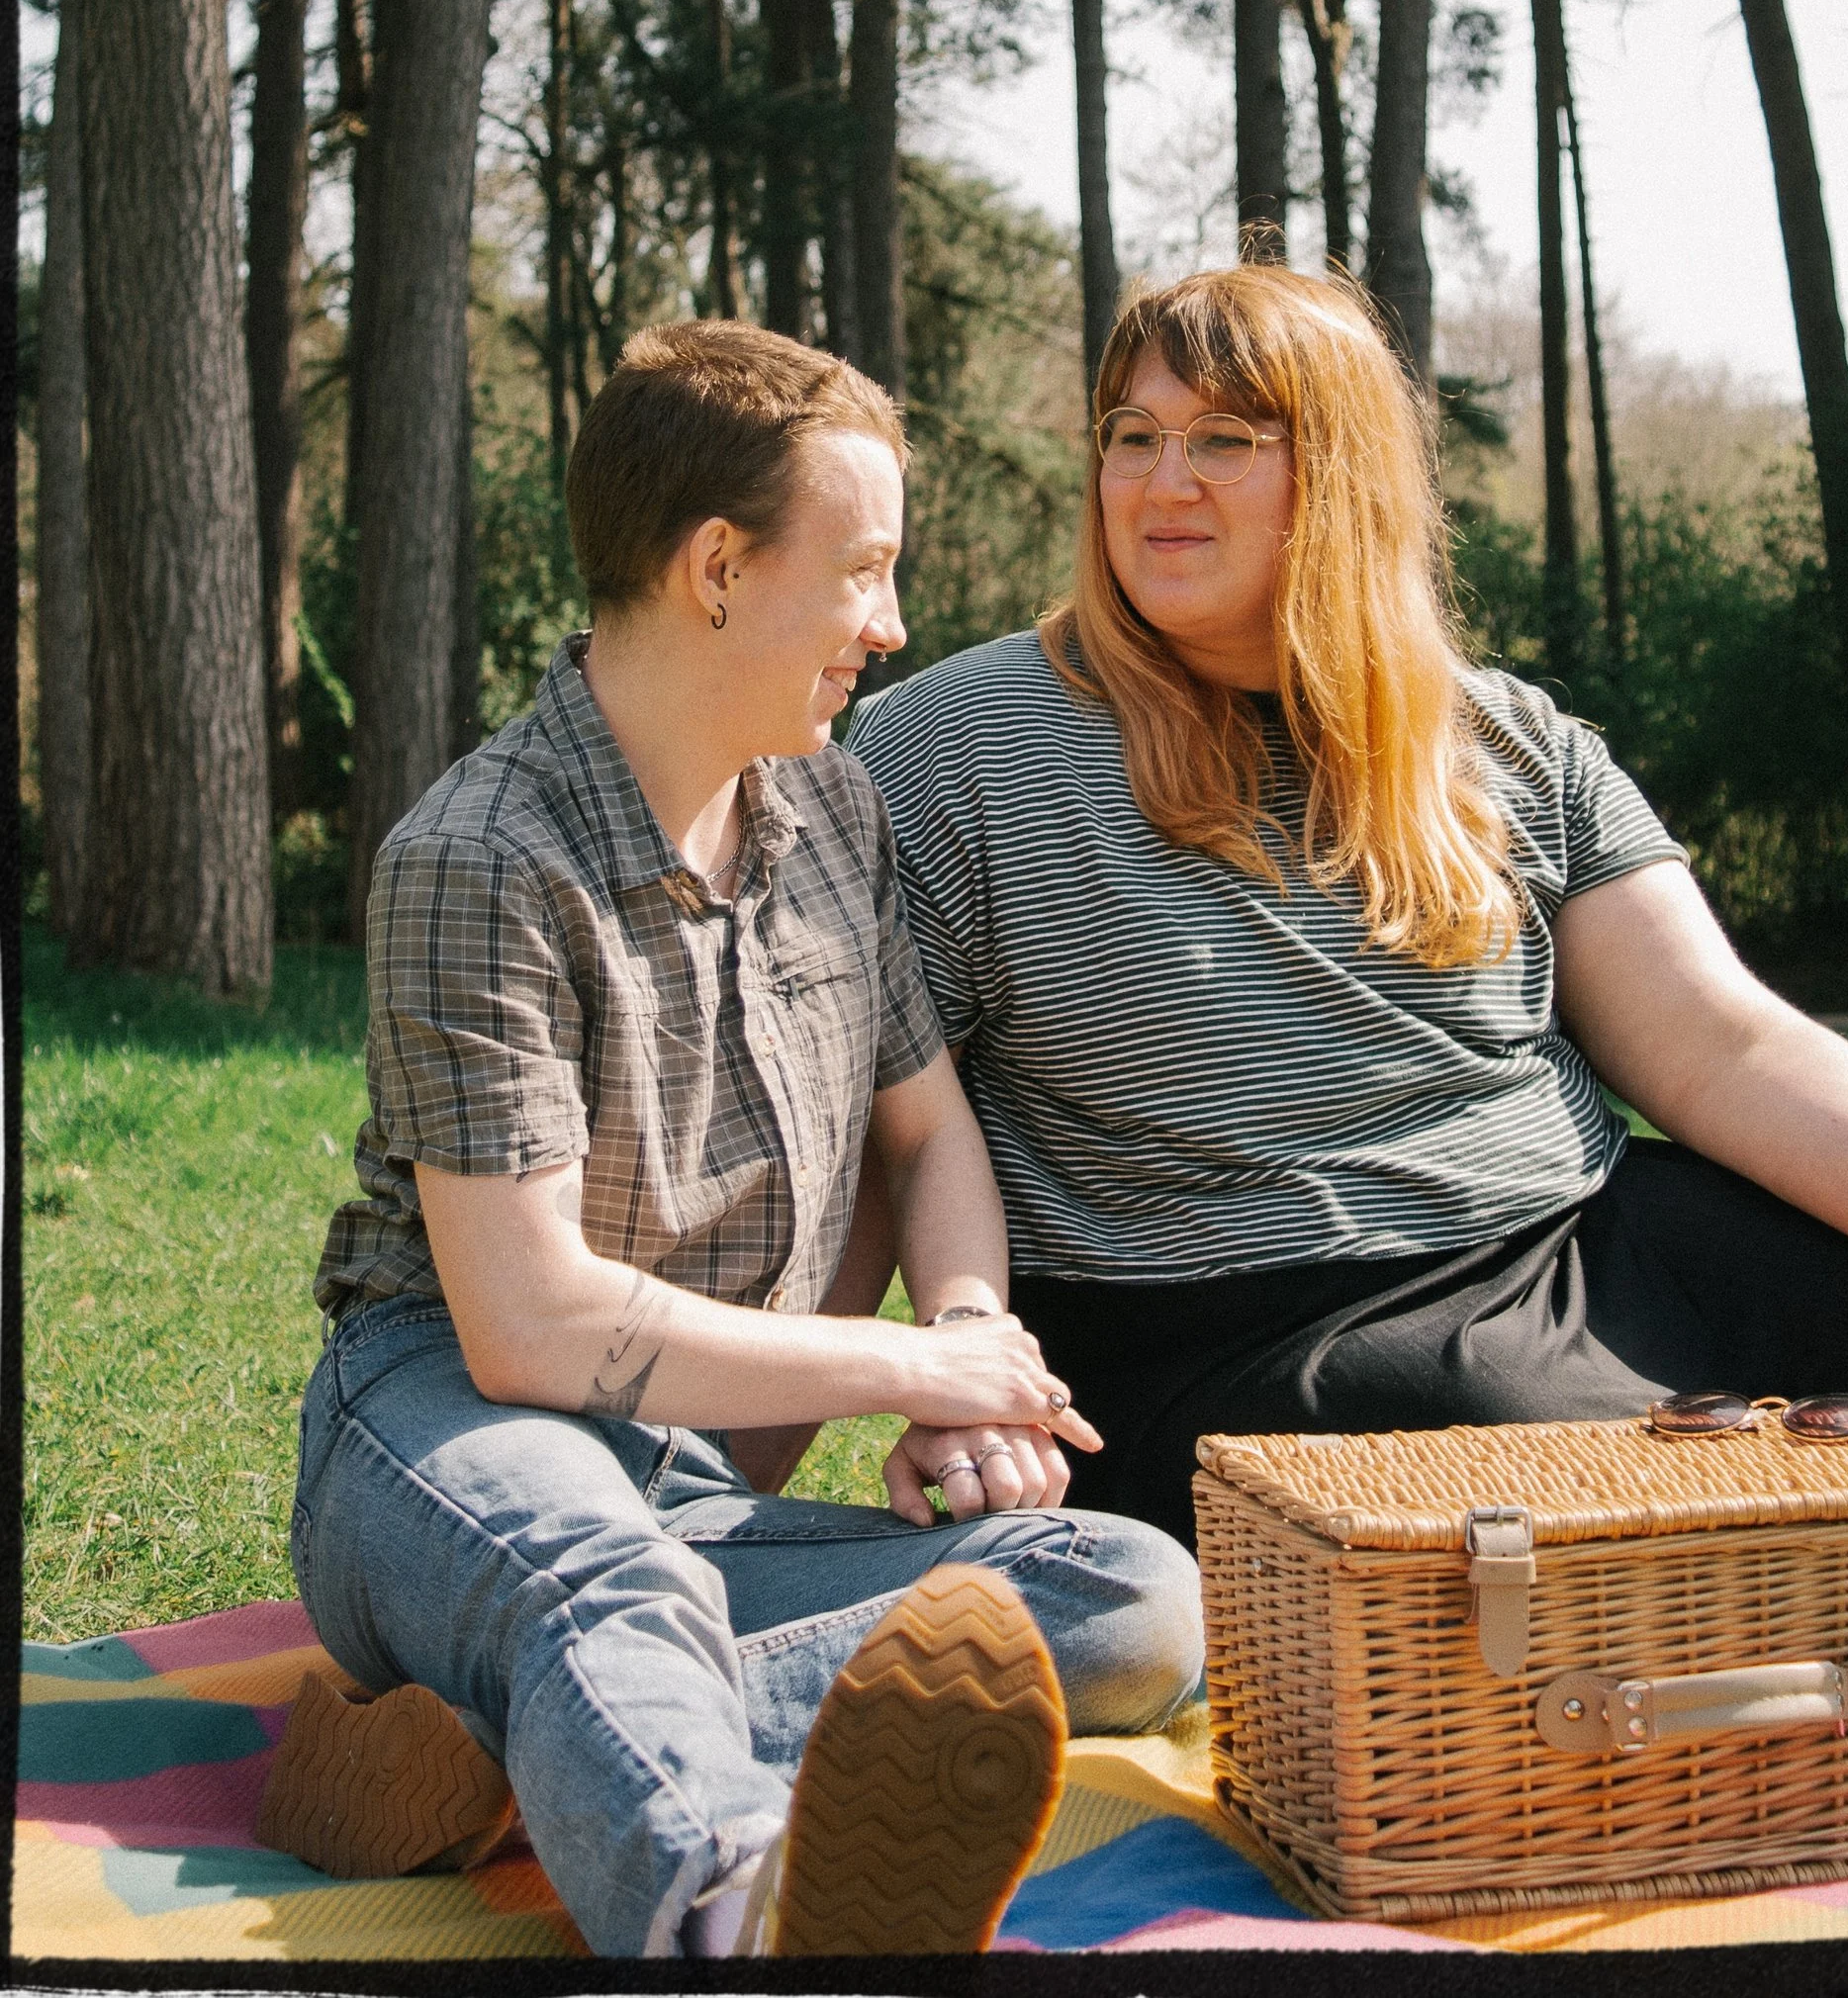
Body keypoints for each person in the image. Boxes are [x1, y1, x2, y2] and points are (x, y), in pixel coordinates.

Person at [847, 264, 1848, 1623]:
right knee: (1498, 1442)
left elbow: (1722, 1039)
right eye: (1132, 434)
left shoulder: (1507, 738)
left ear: (1339, 475)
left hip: (1570, 1239)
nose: (1161, 481)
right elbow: (890, 1120)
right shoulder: (952, 745)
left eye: (1224, 439)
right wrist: (920, 1372)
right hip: (1232, 1327)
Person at [266, 322, 1203, 1961]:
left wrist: (974, 1330)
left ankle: (498, 1757)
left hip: (674, 1484)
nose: (891, 623)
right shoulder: (478, 858)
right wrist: (903, 1374)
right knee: (599, 1583)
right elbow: (529, 1321)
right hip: (443, 1420)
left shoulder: (831, 812)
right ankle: (744, 1909)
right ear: (716, 567)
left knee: (1124, 1591)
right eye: (862, 570)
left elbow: (928, 1135)